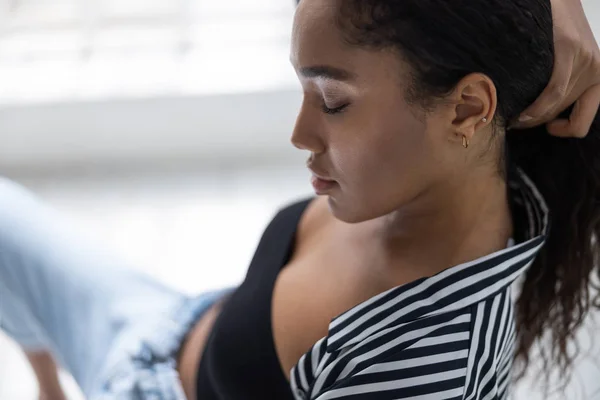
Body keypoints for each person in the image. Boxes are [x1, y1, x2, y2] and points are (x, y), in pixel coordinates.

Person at [0, 0, 599, 398]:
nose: (298, 134)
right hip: (166, 324)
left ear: (467, 108)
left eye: (332, 101)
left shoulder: (421, 370)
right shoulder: (448, 174)